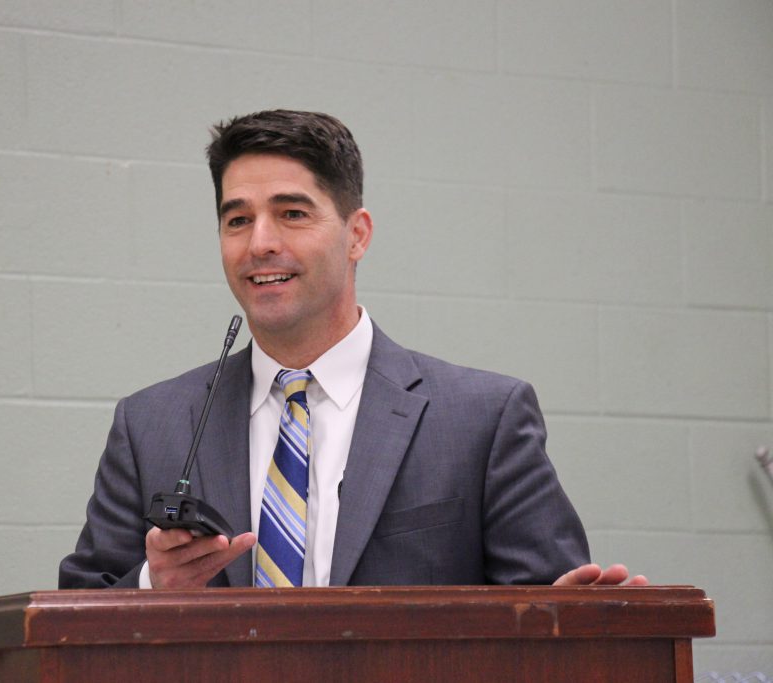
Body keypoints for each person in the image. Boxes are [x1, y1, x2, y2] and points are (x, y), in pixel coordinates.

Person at [59, 110, 647, 590]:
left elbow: (550, 608)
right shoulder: (150, 425)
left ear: (357, 234)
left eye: (292, 214)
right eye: (237, 220)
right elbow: (76, 616)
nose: (260, 243)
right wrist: (151, 587)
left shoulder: (483, 419)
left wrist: (576, 624)